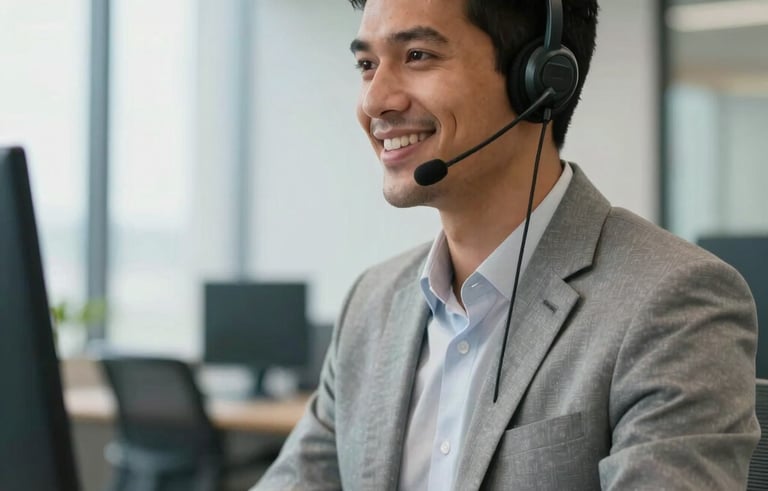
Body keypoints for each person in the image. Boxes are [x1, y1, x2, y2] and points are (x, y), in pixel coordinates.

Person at [254, 0, 760, 489]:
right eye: (367, 64)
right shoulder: (371, 304)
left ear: (540, 80)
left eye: (417, 56)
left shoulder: (674, 303)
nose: (375, 101)